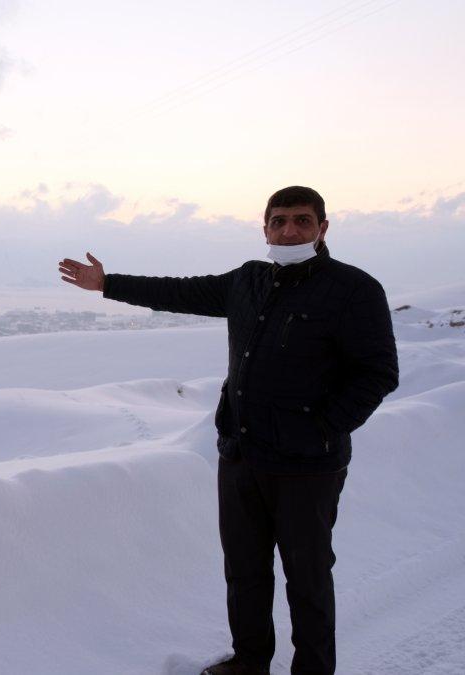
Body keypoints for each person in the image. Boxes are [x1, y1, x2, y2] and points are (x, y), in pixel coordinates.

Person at [58, 186, 398, 674]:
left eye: (302, 221)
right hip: (241, 456)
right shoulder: (247, 280)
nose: (289, 230)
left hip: (307, 466)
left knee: (308, 579)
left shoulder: (354, 289)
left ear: (323, 229)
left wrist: (322, 428)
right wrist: (107, 283)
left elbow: (378, 372)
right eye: (279, 221)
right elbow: (179, 292)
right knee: (244, 571)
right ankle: (250, 661)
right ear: (265, 229)